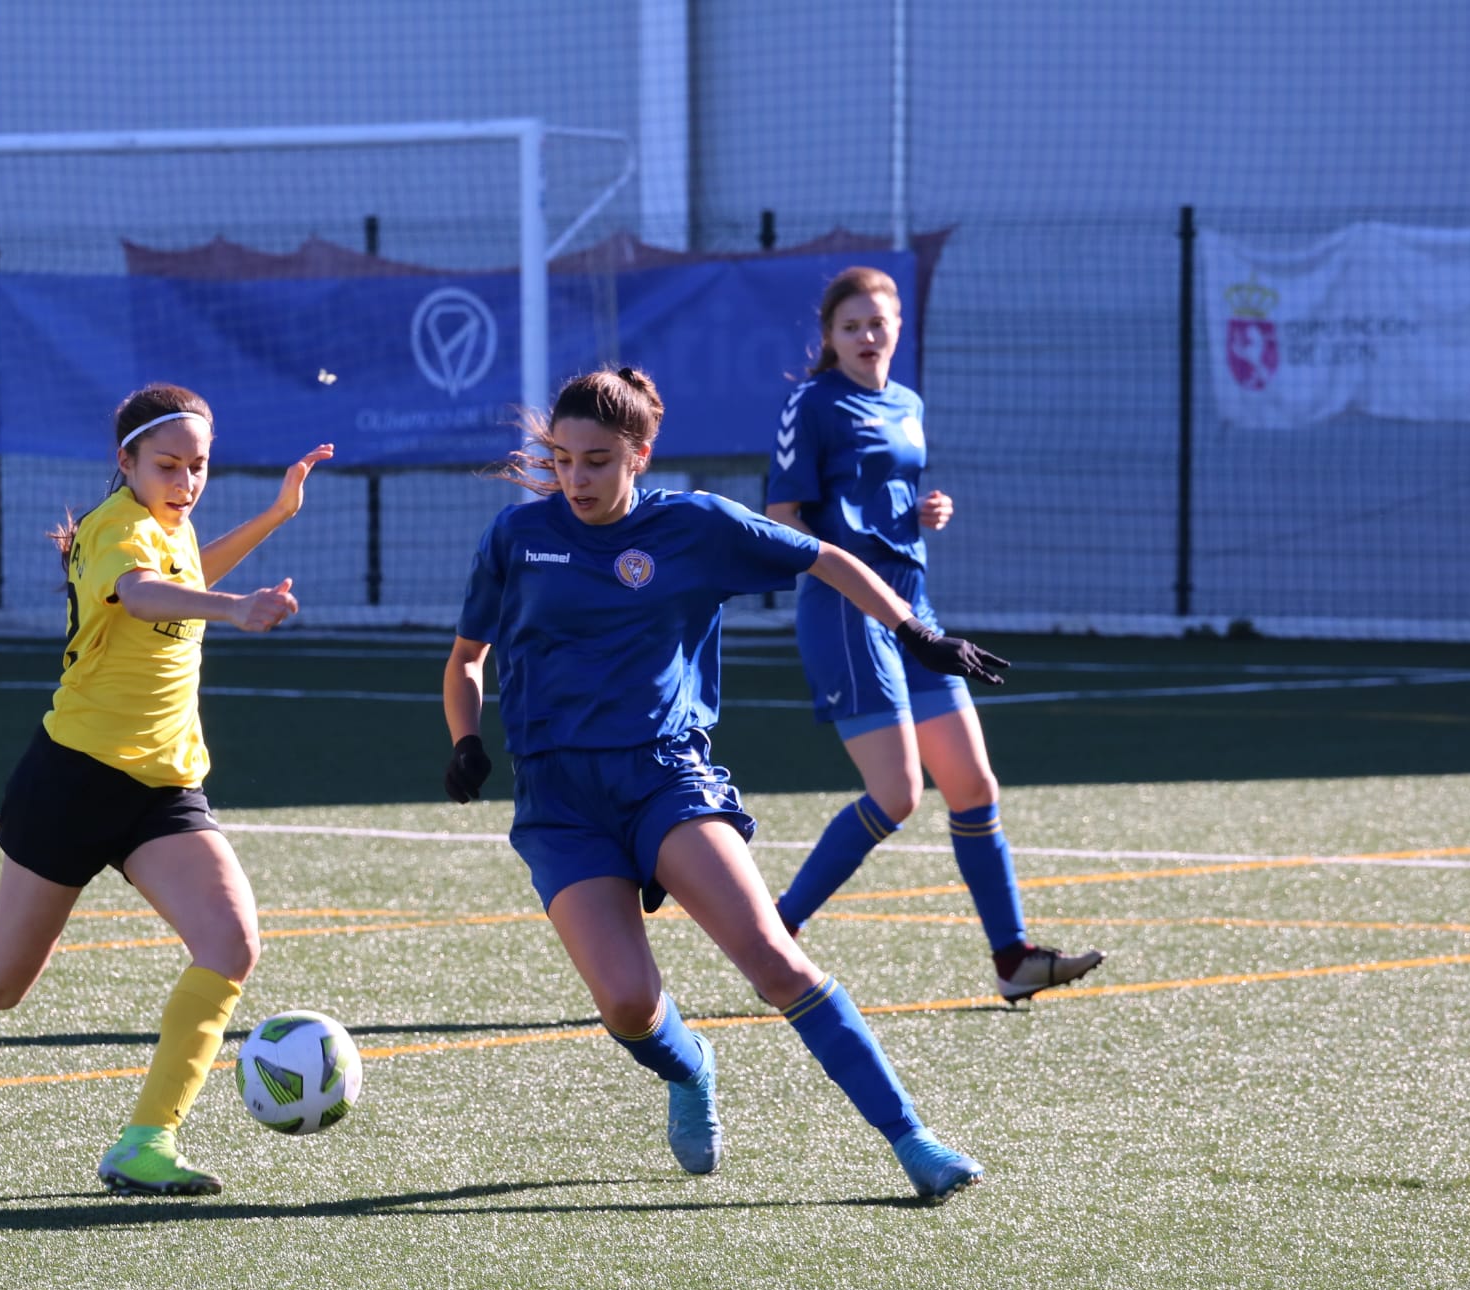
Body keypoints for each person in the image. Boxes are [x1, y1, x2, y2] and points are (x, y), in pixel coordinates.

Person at [442, 367, 1007, 1202]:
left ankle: (913, 1139)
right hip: (559, 799)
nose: (575, 478)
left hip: (665, 774)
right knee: (630, 1005)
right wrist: (465, 737)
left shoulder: (694, 525)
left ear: (640, 454)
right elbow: (466, 661)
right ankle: (692, 1064)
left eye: (596, 460)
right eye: (562, 460)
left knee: (775, 961)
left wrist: (915, 632)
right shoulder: (518, 538)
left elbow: (825, 557)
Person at [0, 383, 331, 1198]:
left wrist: (276, 514)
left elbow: (186, 570)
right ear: (127, 462)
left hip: (164, 786)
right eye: (169, 466)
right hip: (72, 779)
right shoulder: (116, 531)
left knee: (232, 943)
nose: (186, 482)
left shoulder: (169, 527)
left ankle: (147, 1140)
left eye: (199, 467)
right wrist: (236, 609)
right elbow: (144, 592)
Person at [764, 266, 1103, 1002]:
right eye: (850, 326)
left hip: (917, 608)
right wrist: (838, 566)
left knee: (974, 785)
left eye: (878, 323)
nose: (866, 336)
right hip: (851, 614)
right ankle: (771, 932)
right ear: (828, 336)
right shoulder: (811, 404)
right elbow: (784, 515)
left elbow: (884, 489)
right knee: (897, 793)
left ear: (898, 329)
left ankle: (1012, 959)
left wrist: (923, 511)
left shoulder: (908, 404)